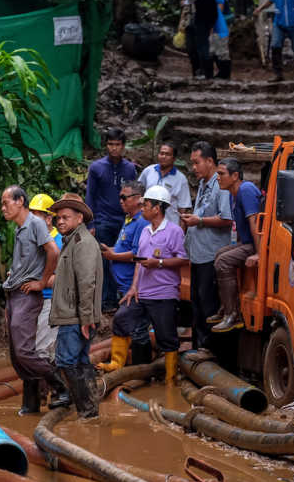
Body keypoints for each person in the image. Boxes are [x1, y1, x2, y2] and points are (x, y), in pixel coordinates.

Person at [1, 186, 68, 415]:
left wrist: (42, 281)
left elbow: (54, 256)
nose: (3, 208)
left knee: (28, 353)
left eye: (6, 202)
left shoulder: (39, 227)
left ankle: (60, 387)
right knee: (19, 356)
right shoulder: (21, 229)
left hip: (38, 299)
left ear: (20, 202)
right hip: (19, 294)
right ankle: (31, 405)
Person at [108, 185, 187, 380]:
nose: (141, 207)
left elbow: (184, 260)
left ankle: (170, 380)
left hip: (163, 294)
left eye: (145, 205)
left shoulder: (174, 231)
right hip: (141, 293)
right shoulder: (144, 231)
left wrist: (158, 263)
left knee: (166, 338)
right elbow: (139, 262)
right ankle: (115, 364)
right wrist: (134, 287)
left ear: (157, 208)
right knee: (121, 318)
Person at [48, 193, 103, 420]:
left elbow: (87, 283)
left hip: (75, 316)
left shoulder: (82, 243)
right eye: (58, 218)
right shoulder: (73, 241)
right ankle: (89, 411)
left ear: (79, 218)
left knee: (66, 361)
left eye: (65, 217)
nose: (60, 221)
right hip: (75, 315)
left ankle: (87, 412)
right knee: (79, 361)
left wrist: (86, 319)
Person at [180, 142, 233, 351]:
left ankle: (210, 352)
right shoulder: (203, 183)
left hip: (211, 254)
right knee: (197, 305)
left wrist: (198, 221)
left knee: (208, 305)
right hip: (198, 253)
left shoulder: (222, 185)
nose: (194, 167)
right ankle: (197, 348)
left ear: (210, 161)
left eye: (197, 162)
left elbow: (226, 218)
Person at [96, 180, 149, 372]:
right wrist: (110, 251)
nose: (120, 201)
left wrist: (113, 256)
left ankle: (140, 370)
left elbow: (138, 254)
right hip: (124, 284)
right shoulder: (128, 220)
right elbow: (124, 248)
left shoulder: (141, 221)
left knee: (133, 326)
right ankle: (131, 367)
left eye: (124, 197)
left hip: (134, 285)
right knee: (130, 325)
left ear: (137, 199)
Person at [85, 128, 138, 313]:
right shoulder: (96, 168)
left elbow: (134, 195)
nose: (113, 148)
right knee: (104, 260)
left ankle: (121, 296)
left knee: (124, 257)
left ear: (123, 146)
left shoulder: (130, 169)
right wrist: (90, 223)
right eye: (110, 144)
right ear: (106, 145)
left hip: (124, 221)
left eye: (117, 144)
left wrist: (134, 219)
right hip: (103, 220)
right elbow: (90, 196)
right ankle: (106, 301)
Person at [211, 158, 262, 333]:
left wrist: (260, 253)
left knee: (222, 261)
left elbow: (254, 222)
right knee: (219, 254)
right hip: (247, 242)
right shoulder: (234, 194)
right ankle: (226, 307)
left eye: (221, 174)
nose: (218, 177)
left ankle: (233, 315)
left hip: (255, 244)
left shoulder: (245, 190)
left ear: (235, 176)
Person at [29, 193, 62, 364]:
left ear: (48, 219)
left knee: (43, 349)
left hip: (51, 301)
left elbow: (61, 279)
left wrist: (32, 280)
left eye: (36, 217)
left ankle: (53, 387)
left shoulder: (59, 242)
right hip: (34, 300)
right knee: (36, 347)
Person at [138, 142, 192, 226]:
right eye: (161, 153)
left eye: (167, 154)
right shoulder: (148, 171)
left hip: (168, 226)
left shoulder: (181, 179)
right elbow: (138, 192)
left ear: (174, 158)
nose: (163, 156)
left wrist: (181, 233)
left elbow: (183, 210)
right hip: (147, 225)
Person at [183, 0, 218, 80]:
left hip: (201, 13)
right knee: (205, 41)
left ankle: (206, 73)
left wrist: (185, 2)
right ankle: (206, 72)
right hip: (212, 12)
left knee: (201, 43)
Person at [211, 0, 232, 79]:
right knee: (216, 48)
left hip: (221, 23)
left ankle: (224, 73)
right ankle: (222, 72)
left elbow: (220, 9)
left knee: (220, 48)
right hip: (219, 22)